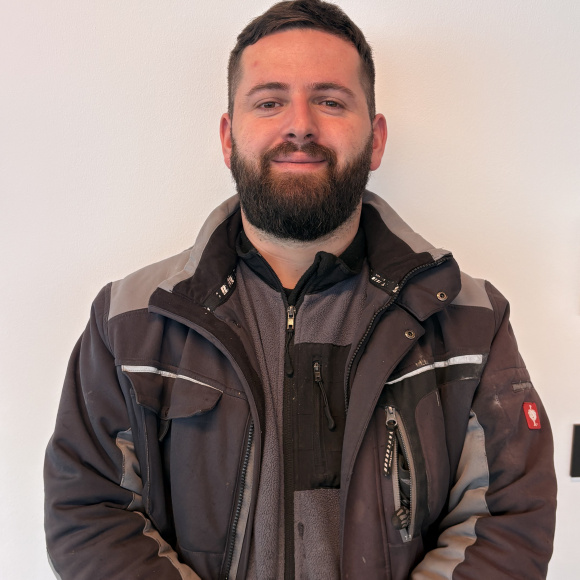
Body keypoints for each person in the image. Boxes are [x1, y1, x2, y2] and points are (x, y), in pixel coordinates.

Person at [44, 1, 557, 578]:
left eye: (330, 101)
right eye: (269, 102)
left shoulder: (468, 319)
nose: (300, 125)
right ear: (228, 137)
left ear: (376, 139)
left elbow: (508, 519)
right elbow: (90, 512)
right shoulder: (129, 321)